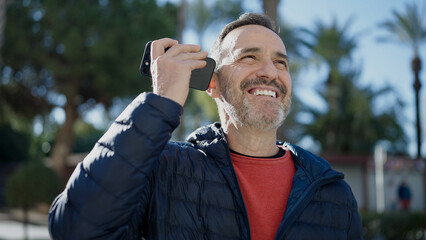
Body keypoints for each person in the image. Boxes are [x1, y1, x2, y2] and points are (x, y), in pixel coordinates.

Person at [48, 13, 363, 240]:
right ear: (212, 83)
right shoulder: (162, 168)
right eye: (249, 57)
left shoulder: (333, 192)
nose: (270, 72)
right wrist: (161, 104)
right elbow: (75, 228)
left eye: (281, 62)